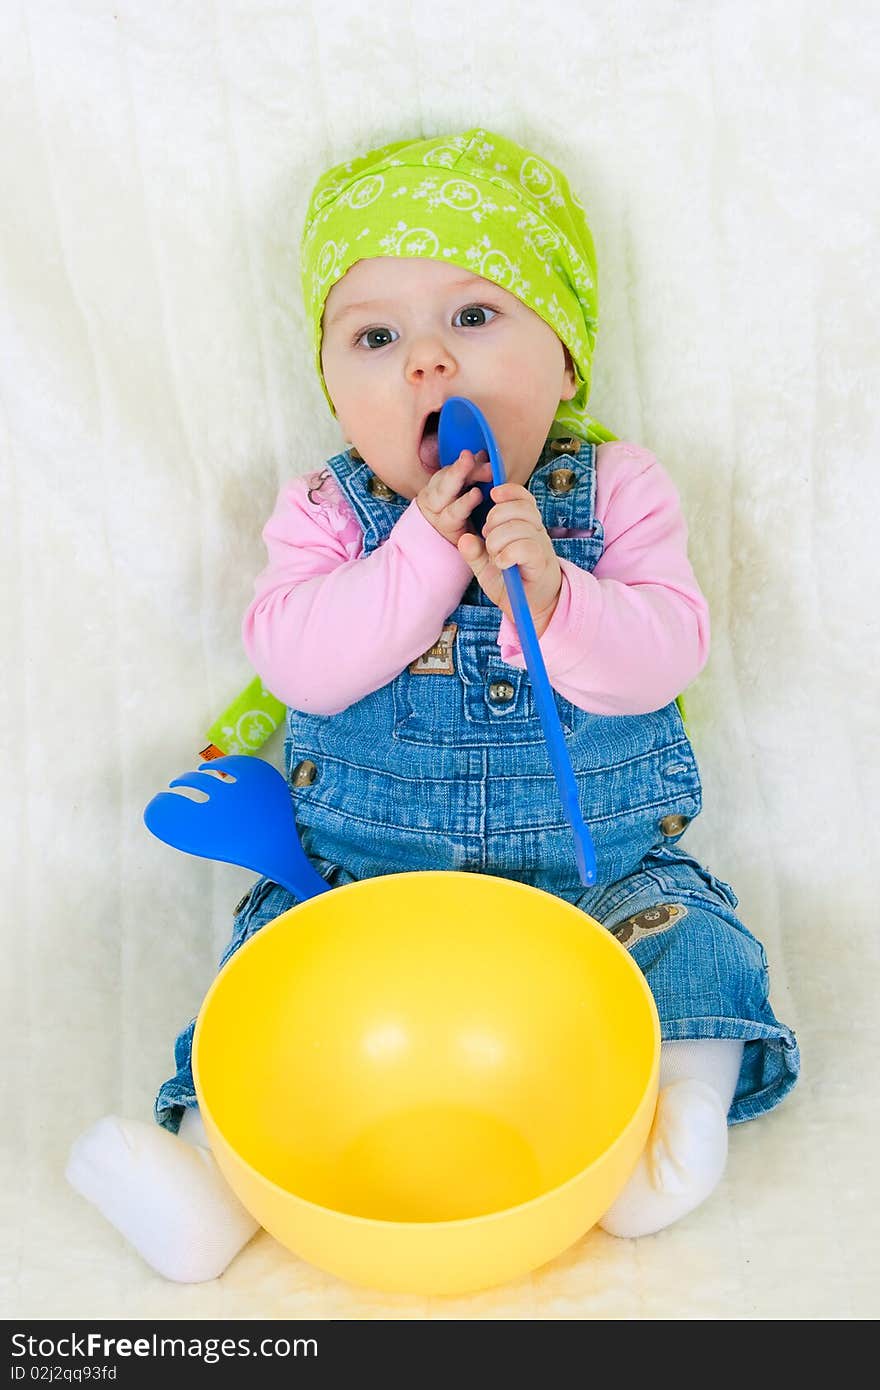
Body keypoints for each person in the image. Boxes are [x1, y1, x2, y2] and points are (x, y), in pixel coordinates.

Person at [66, 127, 799, 1283]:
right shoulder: (325, 511)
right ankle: (214, 1177)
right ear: (335, 390)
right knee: (267, 995)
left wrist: (553, 591)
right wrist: (421, 552)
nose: (426, 363)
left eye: (472, 316)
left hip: (597, 874)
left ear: (565, 360)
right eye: (375, 336)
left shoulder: (619, 489)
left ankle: (673, 1120)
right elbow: (304, 665)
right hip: (361, 888)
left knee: (697, 954)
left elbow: (659, 659)